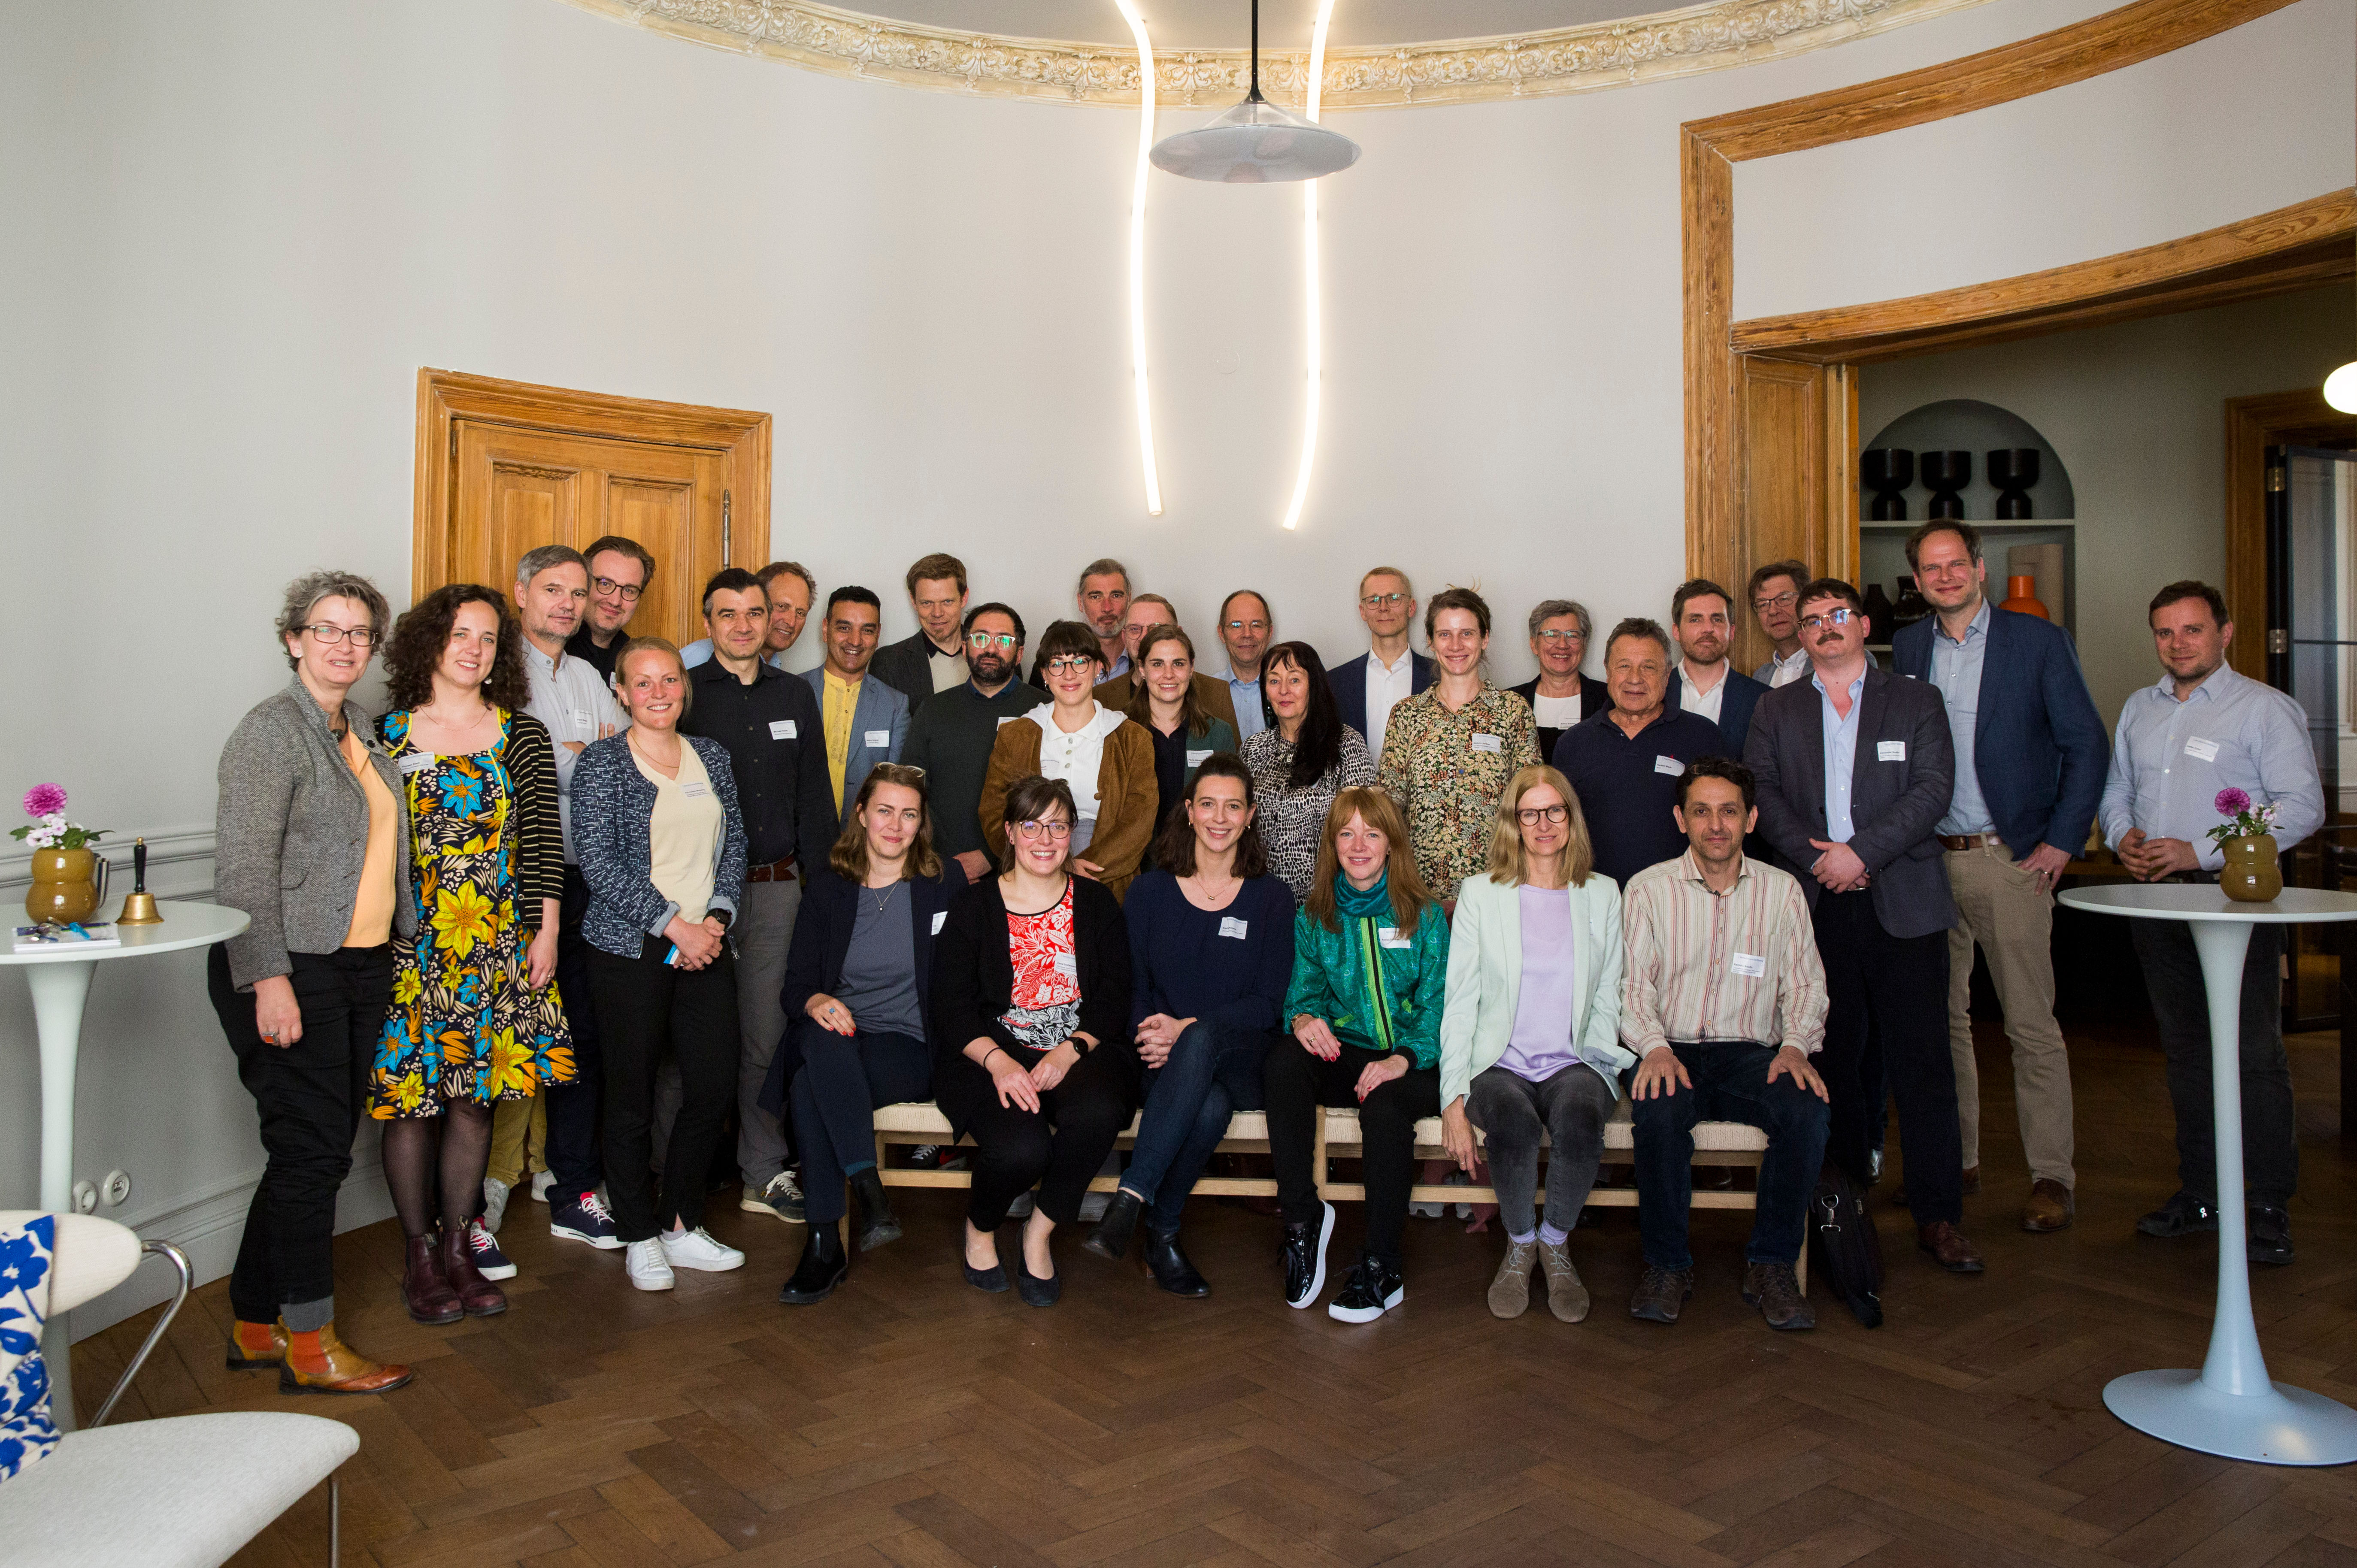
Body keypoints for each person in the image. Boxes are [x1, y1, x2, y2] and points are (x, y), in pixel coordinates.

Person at [209, 569, 414, 1394]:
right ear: (292, 638)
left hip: (359, 964)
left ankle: (256, 1323)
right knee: (311, 1154)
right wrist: (269, 978)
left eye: (360, 632)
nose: (344, 644)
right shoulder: (270, 733)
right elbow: (243, 870)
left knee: (312, 1152)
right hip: (291, 968)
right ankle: (310, 1342)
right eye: (326, 629)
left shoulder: (358, 726)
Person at [1745, 578, 1982, 1274]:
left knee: (1923, 1065)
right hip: (1818, 908)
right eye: (1812, 619)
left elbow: (1933, 789)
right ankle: (1840, 1207)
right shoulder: (1776, 707)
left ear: (1862, 623)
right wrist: (1822, 860)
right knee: (1830, 1063)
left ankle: (1939, 1215)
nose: (1823, 627)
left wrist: (1860, 853)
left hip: (1902, 902)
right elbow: (1762, 791)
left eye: (1836, 615)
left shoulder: (1914, 699)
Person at [1894, 521, 2108, 1235]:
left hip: (2008, 857)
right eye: (1931, 567)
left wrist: (2060, 841)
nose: (1945, 576)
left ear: (1979, 568)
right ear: (1917, 580)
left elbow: (2085, 743)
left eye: (1956, 563)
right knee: (1941, 1020)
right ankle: (1956, 1158)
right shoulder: (1909, 647)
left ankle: (2051, 1173)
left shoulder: (2036, 642)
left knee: (2029, 1023)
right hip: (1926, 860)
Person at [2101, 581, 2323, 1265]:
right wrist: (2123, 837)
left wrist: (2200, 850)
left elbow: (2302, 805)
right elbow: (2117, 791)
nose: (2178, 644)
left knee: (2253, 1052)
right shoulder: (2140, 708)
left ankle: (2266, 1204)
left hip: (2235, 900)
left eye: (2192, 630)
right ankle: (2202, 1192)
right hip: (2159, 901)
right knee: (2188, 1050)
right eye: (2166, 632)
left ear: (2224, 633)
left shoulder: (2263, 708)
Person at [368, 584, 571, 1323]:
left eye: (487, 638)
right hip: (414, 947)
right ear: (430, 641)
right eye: (460, 633)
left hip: (497, 945)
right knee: (412, 1103)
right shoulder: (382, 735)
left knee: (473, 1099)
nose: (473, 648)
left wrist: (544, 931)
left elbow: (545, 844)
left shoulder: (521, 733)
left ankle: (462, 1246)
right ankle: (420, 1255)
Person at [1621, 759, 1830, 1331]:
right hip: (1672, 1049)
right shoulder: (1648, 889)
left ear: (1752, 818)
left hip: (1752, 1054)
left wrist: (1795, 1047)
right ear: (1680, 819)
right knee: (1660, 1114)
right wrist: (1654, 1046)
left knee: (1806, 1111)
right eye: (1702, 811)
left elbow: (1808, 985)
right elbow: (1631, 987)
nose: (1716, 824)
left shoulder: (1783, 892)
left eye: (1729, 810)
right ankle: (1667, 1265)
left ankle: (1771, 1265)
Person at [573, 639, 751, 1292]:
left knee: (710, 1087)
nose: (657, 692)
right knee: (631, 1096)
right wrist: (671, 922)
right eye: (642, 682)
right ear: (621, 691)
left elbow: (735, 841)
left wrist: (716, 920)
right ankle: (638, 1233)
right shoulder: (601, 764)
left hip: (707, 941)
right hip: (631, 948)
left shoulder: (713, 757)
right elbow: (597, 860)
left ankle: (680, 1223)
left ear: (684, 686)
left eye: (668, 679)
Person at [1082, 758, 1294, 1293]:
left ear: (1249, 817)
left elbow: (1269, 1002)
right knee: (1209, 1105)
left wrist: (1187, 1028)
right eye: (1207, 804)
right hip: (1161, 1058)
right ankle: (1162, 1230)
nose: (1218, 818)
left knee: (1203, 1042)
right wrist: (1154, 1034)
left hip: (1243, 1057)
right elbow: (1131, 984)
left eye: (1232, 806)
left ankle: (1130, 1197)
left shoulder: (1271, 898)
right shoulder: (1149, 893)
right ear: (1189, 812)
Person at [932, 775, 1139, 1307]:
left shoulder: (1095, 904)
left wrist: (1071, 1051)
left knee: (1098, 1112)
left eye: (1058, 826)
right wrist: (1000, 1063)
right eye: (1031, 825)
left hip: (1078, 1046)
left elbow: (1115, 995)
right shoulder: (972, 907)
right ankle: (980, 1227)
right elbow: (951, 1007)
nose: (1044, 839)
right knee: (1023, 1148)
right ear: (1009, 832)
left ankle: (1039, 1231)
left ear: (1072, 833)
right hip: (990, 1051)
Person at [773, 764, 968, 1304]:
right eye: (884, 811)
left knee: (811, 1081)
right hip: (840, 1036)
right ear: (861, 814)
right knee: (819, 1044)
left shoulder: (942, 882)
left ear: (921, 823)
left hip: (909, 1045)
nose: (895, 825)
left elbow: (964, 980)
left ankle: (824, 1241)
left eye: (909, 814)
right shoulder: (830, 886)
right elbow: (796, 987)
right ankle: (866, 1196)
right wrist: (817, 1000)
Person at [1437, 766, 1625, 1324]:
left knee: (1583, 1116)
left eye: (1554, 811)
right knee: (1513, 1126)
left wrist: (1599, 1062)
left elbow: (1610, 996)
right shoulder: (1480, 894)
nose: (1543, 823)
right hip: (1500, 1061)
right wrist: (1451, 1098)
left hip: (1575, 1059)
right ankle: (1520, 1245)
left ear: (1571, 818)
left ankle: (1556, 1241)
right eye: (1529, 813)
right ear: (1513, 823)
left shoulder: (1602, 893)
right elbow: (1460, 1001)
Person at [679, 567, 835, 1226]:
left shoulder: (795, 694)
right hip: (693, 897)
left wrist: (822, 889)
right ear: (708, 622)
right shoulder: (684, 693)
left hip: (774, 892)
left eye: (754, 613)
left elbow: (813, 798)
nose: (743, 625)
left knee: (766, 1037)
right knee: (683, 1043)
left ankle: (763, 1172)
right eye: (728, 614)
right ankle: (671, 1175)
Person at [1266, 787, 1449, 1322]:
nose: (1358, 844)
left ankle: (1380, 1263)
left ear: (1392, 843)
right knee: (1282, 1061)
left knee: (1386, 1108)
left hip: (1411, 1063)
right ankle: (1302, 1221)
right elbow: (1303, 996)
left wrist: (1403, 1058)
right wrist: (1301, 1019)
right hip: (1347, 1055)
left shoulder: (1424, 915)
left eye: (1372, 833)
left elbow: (1439, 1005)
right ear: (1332, 844)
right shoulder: (1315, 915)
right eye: (1346, 833)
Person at [513, 546, 626, 1253]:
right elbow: (518, 760)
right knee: (500, 1039)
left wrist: (579, 753)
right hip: (511, 885)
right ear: (522, 590)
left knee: (582, 1035)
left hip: (587, 882)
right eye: (552, 589)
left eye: (577, 592)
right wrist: (582, 753)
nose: (566, 603)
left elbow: (628, 754)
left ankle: (572, 1185)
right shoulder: (494, 667)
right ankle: (472, 1200)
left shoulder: (585, 672)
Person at [982, 621, 1157, 899]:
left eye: (1079, 661)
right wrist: (1047, 863)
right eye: (1057, 664)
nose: (1069, 674)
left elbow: (1139, 820)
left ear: (1099, 667)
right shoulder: (1015, 735)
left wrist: (1086, 869)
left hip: (1107, 882)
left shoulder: (1133, 739)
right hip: (1033, 877)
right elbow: (994, 813)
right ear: (1044, 674)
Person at [1554, 618, 1728, 889]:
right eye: (1624, 666)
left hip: (1682, 900)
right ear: (1608, 671)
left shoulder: (1703, 737)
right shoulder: (1573, 743)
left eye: (1649, 667)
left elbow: (1726, 823)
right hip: (1595, 900)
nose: (1635, 679)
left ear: (1668, 675)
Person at [905, 604, 1035, 885]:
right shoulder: (933, 710)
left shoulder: (1044, 711)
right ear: (965, 648)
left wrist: (992, 854)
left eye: (1003, 640)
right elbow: (910, 793)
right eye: (980, 638)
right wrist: (935, 862)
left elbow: (1055, 801)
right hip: (942, 869)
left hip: (1025, 871)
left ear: (1019, 653)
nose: (990, 649)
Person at [1243, 642, 1379, 903]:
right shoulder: (1252, 749)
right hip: (1264, 900)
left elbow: (1365, 826)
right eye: (1274, 681)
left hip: (1329, 901)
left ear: (1313, 686)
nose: (1284, 690)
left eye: (1294, 679)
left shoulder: (1346, 743)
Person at [802, 586, 909, 833]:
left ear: (878, 635)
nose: (856, 641)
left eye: (867, 631)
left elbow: (895, 788)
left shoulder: (895, 705)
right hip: (798, 844)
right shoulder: (793, 691)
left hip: (863, 844)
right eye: (844, 628)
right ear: (825, 629)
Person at [1122, 625, 1240, 838]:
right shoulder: (1119, 731)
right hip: (1136, 863)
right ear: (1141, 669)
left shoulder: (1219, 733)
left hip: (1200, 859)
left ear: (1192, 667)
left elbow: (1231, 806)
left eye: (1178, 664)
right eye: (1158, 664)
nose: (1169, 675)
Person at [1093, 594, 1242, 731]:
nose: (1145, 637)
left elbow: (1230, 759)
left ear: (1179, 634)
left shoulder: (1216, 692)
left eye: (1157, 628)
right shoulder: (1101, 697)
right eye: (1135, 629)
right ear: (1124, 637)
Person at [1329, 566, 1432, 762]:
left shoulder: (1439, 677)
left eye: (1394, 598)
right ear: (1363, 611)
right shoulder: (1334, 683)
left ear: (1411, 607)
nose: (1384, 607)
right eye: (1374, 600)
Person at [1669, 578, 1769, 754]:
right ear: (1676, 631)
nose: (1708, 628)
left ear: (1732, 631)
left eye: (1717, 619)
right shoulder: (1656, 692)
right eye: (1695, 620)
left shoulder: (1763, 700)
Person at [1507, 600, 1607, 759]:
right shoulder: (1509, 702)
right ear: (1534, 644)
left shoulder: (1608, 701)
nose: (1562, 645)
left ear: (1584, 645)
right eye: (1552, 635)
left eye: (1572, 635)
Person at [682, 560, 817, 671]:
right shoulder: (697, 658)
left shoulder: (776, 667)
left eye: (800, 613)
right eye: (782, 607)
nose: (791, 622)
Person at [871, 551, 970, 701]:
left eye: (947, 602)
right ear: (913, 601)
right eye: (927, 603)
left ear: (964, 598)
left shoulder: (998, 654)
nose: (937, 613)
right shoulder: (888, 663)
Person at [566, 535, 655, 682]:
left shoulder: (635, 660)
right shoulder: (556, 648)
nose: (615, 601)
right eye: (605, 584)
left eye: (629, 590)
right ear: (583, 583)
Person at [1030, 558, 1132, 684]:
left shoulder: (1146, 662)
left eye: (1116, 596)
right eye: (1096, 597)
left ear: (1129, 599)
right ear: (1080, 602)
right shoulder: (1050, 666)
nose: (1107, 608)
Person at [1217, 589, 1275, 742]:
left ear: (1270, 632)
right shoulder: (1205, 692)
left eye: (1256, 625)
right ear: (1222, 633)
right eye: (1236, 625)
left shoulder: (1288, 692)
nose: (1247, 634)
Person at [1747, 560, 1812, 688]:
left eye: (1784, 599)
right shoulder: (1760, 678)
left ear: (1806, 603)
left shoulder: (1830, 666)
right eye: (1763, 604)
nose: (1773, 611)